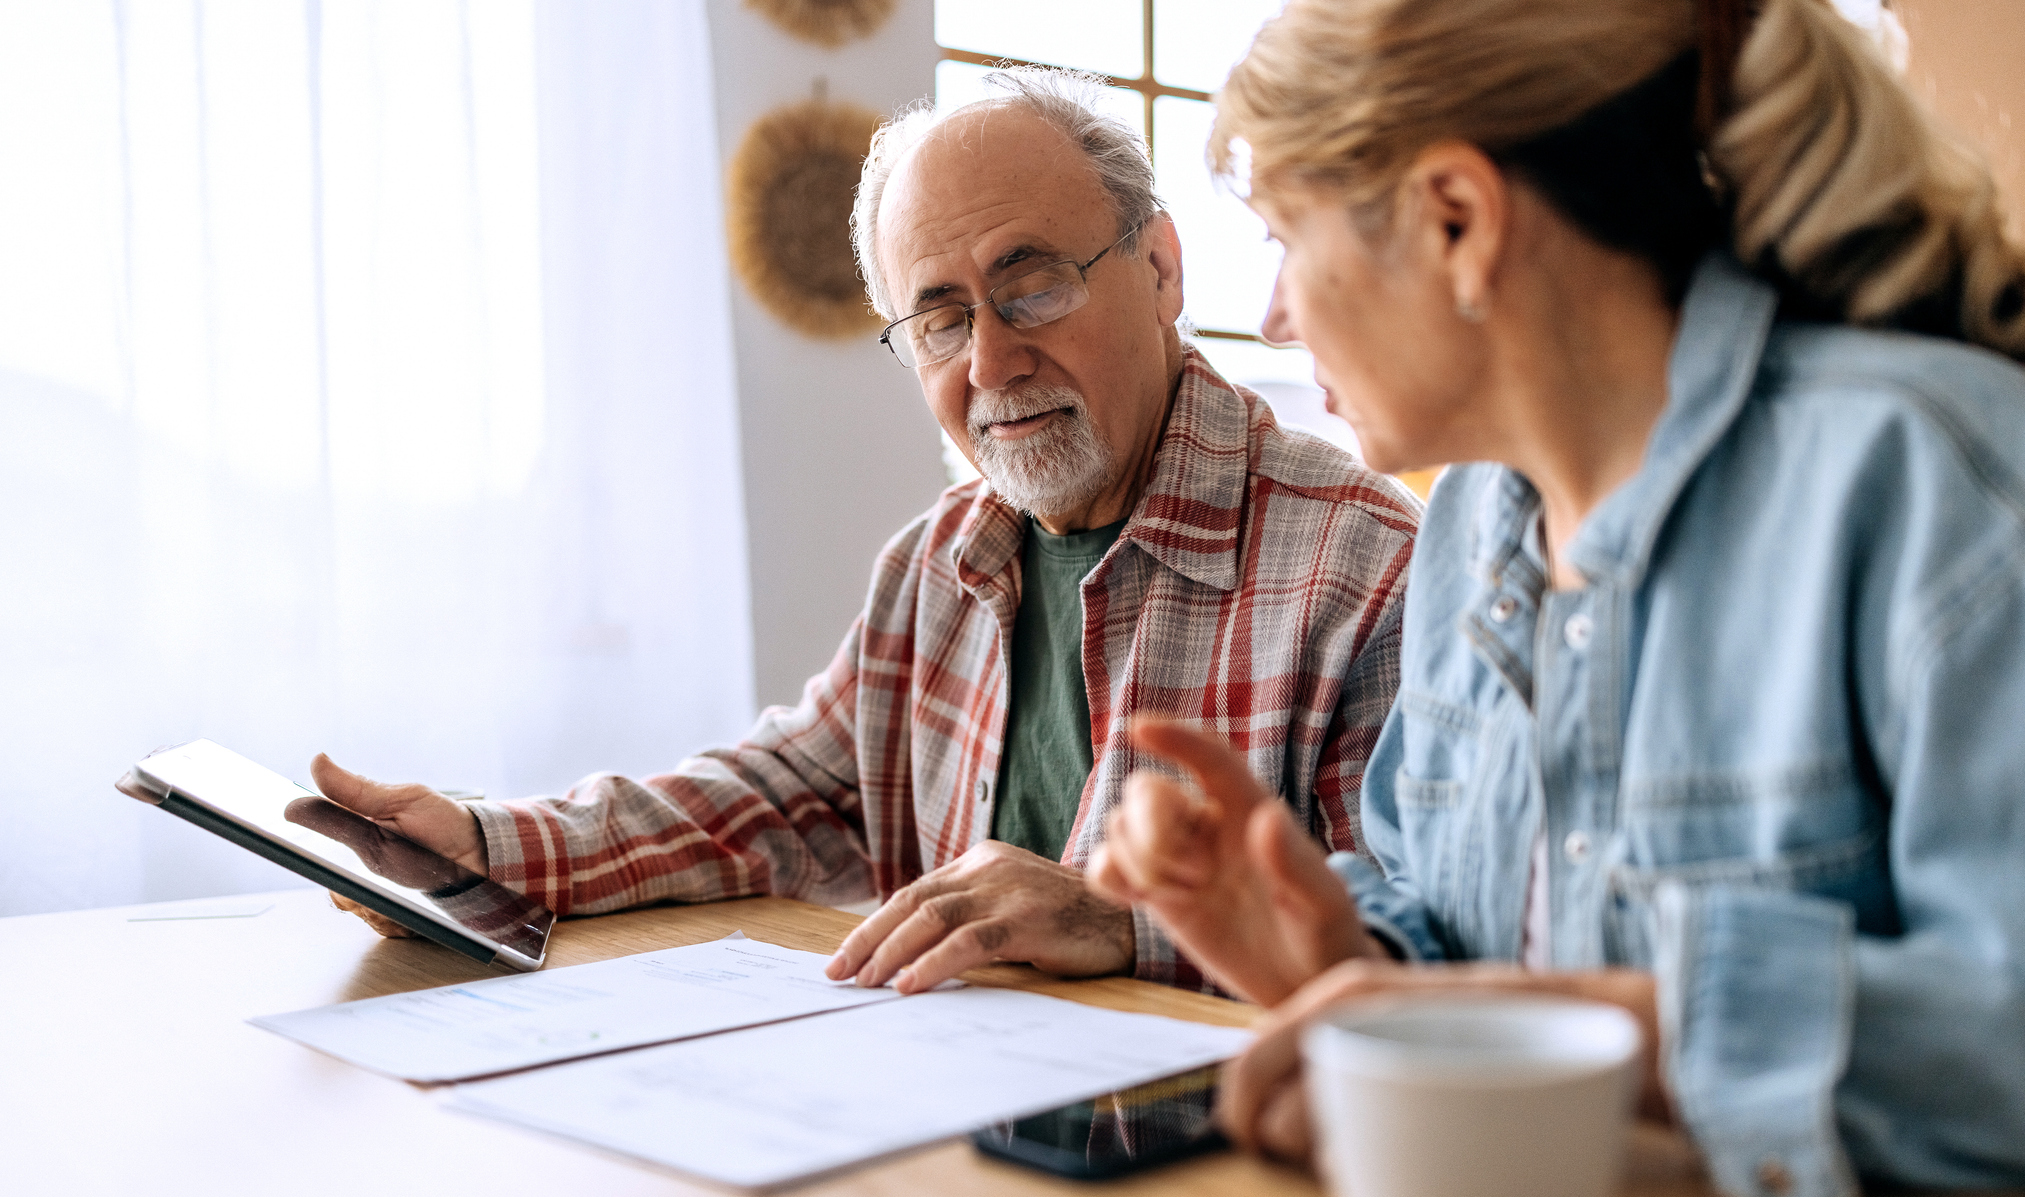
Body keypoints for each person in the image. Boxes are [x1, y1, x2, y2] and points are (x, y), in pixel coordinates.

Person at [1088, 0, 2025, 1197]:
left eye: (1281, 237)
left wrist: (1622, 1028)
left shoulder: (1954, 490)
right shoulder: (1470, 521)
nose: (1269, 313)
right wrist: (1345, 960)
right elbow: (1462, 935)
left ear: (1455, 220)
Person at [316, 66, 1418, 996]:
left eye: (1028, 287)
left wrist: (1120, 922)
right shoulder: (938, 562)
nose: (988, 364)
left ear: (1162, 269)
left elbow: (1413, 951)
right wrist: (482, 841)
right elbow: (774, 797)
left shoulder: (1366, 565)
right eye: (939, 318)